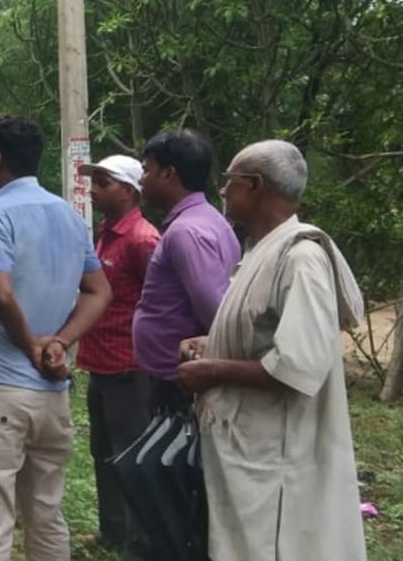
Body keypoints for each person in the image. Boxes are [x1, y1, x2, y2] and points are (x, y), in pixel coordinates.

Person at [177, 140, 367, 560]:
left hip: (276, 454)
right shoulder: (260, 250)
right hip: (246, 444)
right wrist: (213, 345)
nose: (222, 191)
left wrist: (214, 371)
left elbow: (297, 365)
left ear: (255, 185)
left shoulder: (302, 258)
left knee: (273, 548)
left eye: (229, 181)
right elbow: (265, 337)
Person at [0, 115, 112, 560]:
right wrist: (59, 343)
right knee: (46, 514)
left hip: (0, 391)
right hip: (52, 394)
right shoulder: (69, 215)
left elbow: (1, 293)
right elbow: (100, 291)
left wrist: (30, 345)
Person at [75, 155, 160, 560]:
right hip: (101, 362)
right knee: (103, 451)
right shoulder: (106, 233)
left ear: (128, 190)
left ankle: (137, 541)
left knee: (131, 457)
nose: (93, 190)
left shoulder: (143, 240)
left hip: (130, 367)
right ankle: (112, 531)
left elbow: (158, 301)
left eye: (102, 183)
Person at [133, 130, 240, 412]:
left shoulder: (185, 232)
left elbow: (213, 308)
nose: (141, 180)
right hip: (178, 374)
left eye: (146, 171)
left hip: (179, 381)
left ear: (168, 173)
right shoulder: (211, 219)